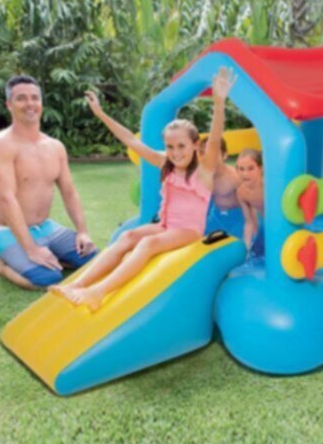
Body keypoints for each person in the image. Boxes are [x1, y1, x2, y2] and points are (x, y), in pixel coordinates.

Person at [51, 67, 236, 311]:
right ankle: (78, 284)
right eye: (170, 146)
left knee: (147, 244)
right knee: (127, 236)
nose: (175, 153)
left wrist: (219, 103)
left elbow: (214, 139)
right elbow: (130, 140)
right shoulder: (165, 162)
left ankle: (98, 292)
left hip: (189, 231)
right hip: (165, 226)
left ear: (194, 145)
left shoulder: (204, 170)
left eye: (181, 146)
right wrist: (101, 114)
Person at [0, 75, 97, 289]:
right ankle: (1, 266)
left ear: (41, 103)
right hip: (8, 232)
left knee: (93, 260)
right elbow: (5, 199)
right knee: (46, 279)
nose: (30, 104)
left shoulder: (55, 146)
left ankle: (51, 257)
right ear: (9, 104)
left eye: (35, 98)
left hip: (46, 228)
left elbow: (69, 192)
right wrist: (31, 249)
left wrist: (82, 231)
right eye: (21, 98)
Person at [236, 149, 264, 249]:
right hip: (262, 222)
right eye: (241, 169)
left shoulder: (268, 187)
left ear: (260, 169)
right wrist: (246, 248)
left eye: (251, 168)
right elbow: (249, 223)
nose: (245, 174)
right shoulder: (241, 193)